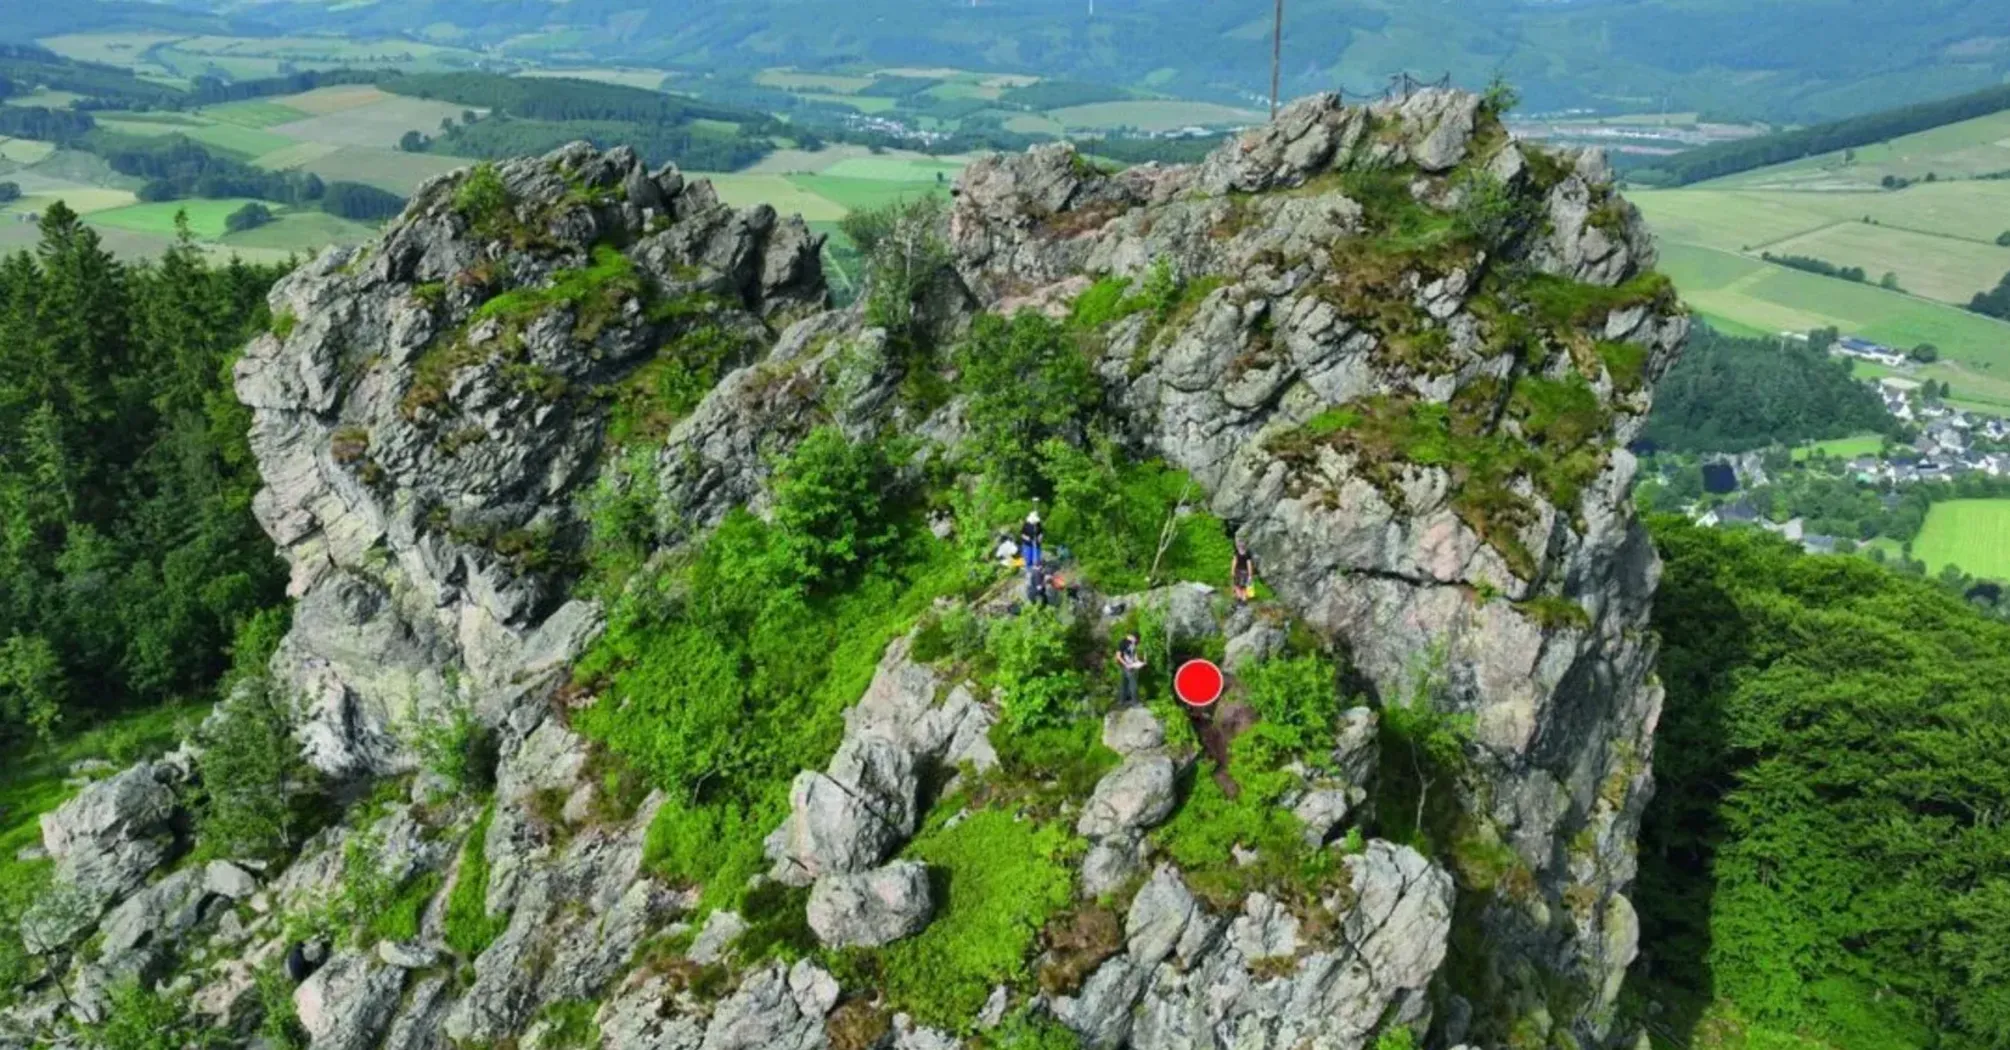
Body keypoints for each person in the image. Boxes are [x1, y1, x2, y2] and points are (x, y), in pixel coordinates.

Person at [1115, 631, 1145, 708]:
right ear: (1132, 636)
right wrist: (1126, 665)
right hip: (1126, 666)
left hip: (1131, 665)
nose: (1136, 641)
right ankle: (1135, 703)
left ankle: (1122, 701)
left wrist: (1138, 661)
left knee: (1124, 684)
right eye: (1136, 639)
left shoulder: (1133, 643)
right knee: (1133, 684)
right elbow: (1118, 656)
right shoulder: (1123, 642)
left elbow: (1134, 654)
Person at [1231, 538, 1259, 605]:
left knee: (1240, 586)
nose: (1240, 546)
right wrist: (1250, 575)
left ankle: (1241, 599)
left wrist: (1232, 570)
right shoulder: (1244, 553)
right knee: (1240, 586)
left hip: (1240, 572)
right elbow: (1235, 562)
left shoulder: (1241, 553)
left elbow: (1235, 562)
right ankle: (1241, 599)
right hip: (1241, 572)